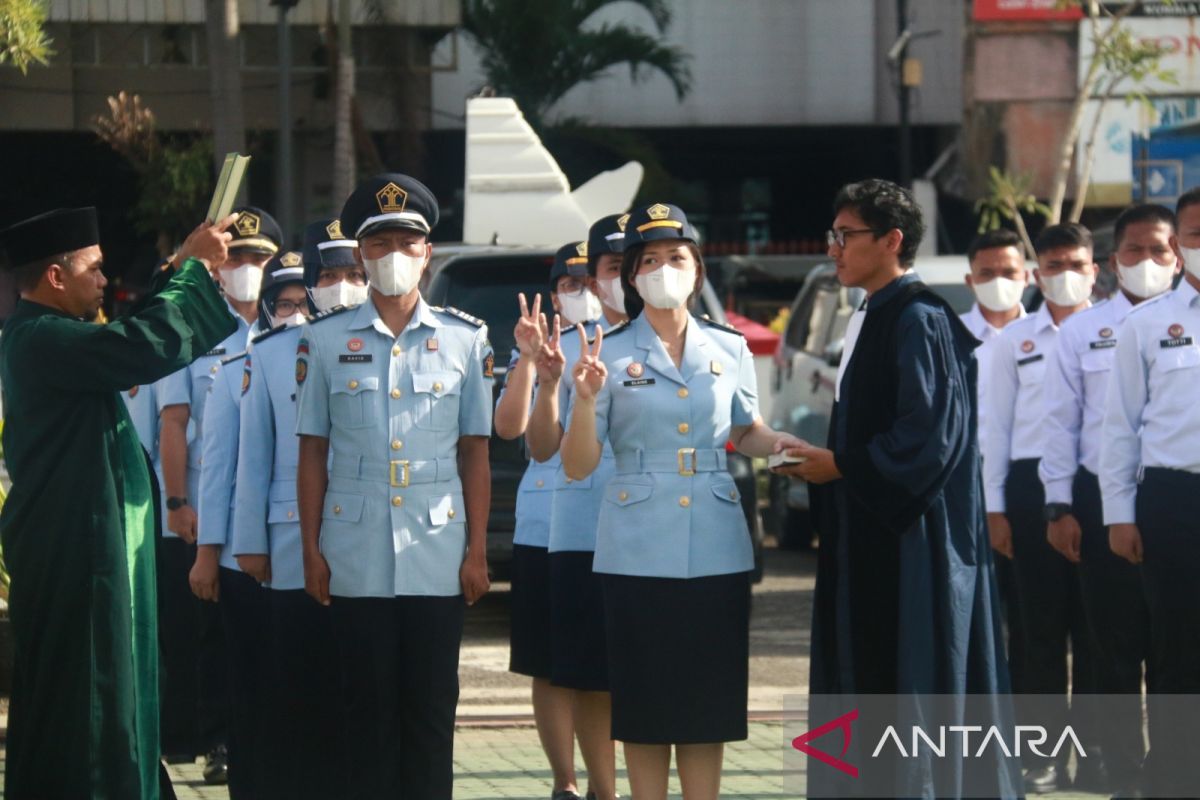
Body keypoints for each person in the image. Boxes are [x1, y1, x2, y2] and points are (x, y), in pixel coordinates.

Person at [775, 180, 1016, 798]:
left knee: (910, 682)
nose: (834, 248)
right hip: (872, 534)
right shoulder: (871, 313)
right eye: (834, 234)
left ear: (892, 241)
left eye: (846, 235)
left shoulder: (918, 319)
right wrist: (824, 461)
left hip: (914, 547)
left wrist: (845, 466)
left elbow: (927, 438)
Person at [560, 202, 802, 800]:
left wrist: (787, 450)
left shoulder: (729, 346)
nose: (664, 269)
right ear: (632, 276)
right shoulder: (607, 352)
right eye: (649, 260)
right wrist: (586, 400)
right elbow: (577, 462)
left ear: (697, 271)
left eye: (677, 257)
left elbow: (746, 430)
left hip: (716, 543)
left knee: (707, 701)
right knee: (643, 701)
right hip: (636, 545)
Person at [0, 207, 237, 800]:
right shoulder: (42, 337)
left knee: (101, 695)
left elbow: (126, 335)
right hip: (74, 554)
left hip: (79, 549)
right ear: (57, 277)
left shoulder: (50, 335)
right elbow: (137, 344)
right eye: (96, 269)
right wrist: (195, 272)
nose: (106, 281)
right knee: (89, 702)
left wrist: (182, 267)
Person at [296, 173, 493, 799]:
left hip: (438, 550)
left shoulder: (465, 338)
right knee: (367, 714)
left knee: (432, 715)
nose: (393, 256)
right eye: (378, 244)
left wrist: (478, 550)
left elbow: (475, 453)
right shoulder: (323, 340)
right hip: (354, 551)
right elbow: (312, 452)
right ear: (360, 255)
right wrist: (310, 550)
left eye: (407, 242)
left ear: (427, 251)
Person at [1039, 204, 1178, 796]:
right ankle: (1123, 771)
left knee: (1180, 650)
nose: (1147, 263)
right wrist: (1059, 506)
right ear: (1112, 261)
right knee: (1115, 651)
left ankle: (1174, 771)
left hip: (1176, 502)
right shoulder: (1081, 331)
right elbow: (1059, 424)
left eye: (1160, 251)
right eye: (1134, 251)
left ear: (1178, 257)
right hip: (1101, 506)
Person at [231, 219, 365, 800]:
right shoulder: (273, 351)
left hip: (371, 543)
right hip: (289, 546)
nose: (344, 286)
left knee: (361, 693)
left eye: (354, 274)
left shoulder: (390, 342)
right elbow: (252, 455)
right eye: (330, 275)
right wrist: (248, 542)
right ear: (309, 285)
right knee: (298, 687)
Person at [154, 206, 281, 777]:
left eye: (260, 258)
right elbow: (174, 422)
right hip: (209, 508)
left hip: (278, 512)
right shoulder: (197, 329)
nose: (248, 268)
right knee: (212, 633)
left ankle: (270, 733)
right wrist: (178, 502)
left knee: (274, 629)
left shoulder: (291, 326)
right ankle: (218, 741)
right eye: (238, 257)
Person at [494, 238, 616, 800]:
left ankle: (605, 782)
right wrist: (530, 362)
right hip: (546, 521)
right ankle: (565, 782)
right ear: (554, 294)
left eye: (593, 281)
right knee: (548, 660)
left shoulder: (629, 343)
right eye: (572, 285)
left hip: (613, 519)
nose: (585, 293)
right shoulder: (540, 347)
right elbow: (512, 428)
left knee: (600, 661)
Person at [191, 251, 311, 798]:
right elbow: (217, 467)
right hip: (250, 556)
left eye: (304, 301)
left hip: (321, 554)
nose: (296, 313)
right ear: (267, 309)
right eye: (285, 303)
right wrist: (208, 552)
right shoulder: (238, 367)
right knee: (255, 687)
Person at [984, 222, 1098, 793]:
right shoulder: (1014, 342)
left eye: (1076, 264)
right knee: (1038, 630)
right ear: (1036, 274)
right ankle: (1041, 755)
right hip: (1029, 489)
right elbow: (995, 429)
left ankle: (1101, 751)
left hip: (1100, 485)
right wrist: (996, 508)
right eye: (1053, 266)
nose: (1065, 276)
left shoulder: (1118, 332)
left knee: (1103, 628)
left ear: (1095, 270)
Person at [1100, 189, 1198, 796]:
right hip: (1173, 501)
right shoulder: (1147, 324)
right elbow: (1121, 428)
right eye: (1195, 233)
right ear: (1180, 244)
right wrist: (1120, 515)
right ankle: (1175, 778)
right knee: (1177, 649)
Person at [959, 228, 1030, 697]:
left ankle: (1028, 737)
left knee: (1030, 622)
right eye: (987, 273)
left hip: (1028, 495)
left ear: (1028, 276)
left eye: (1008, 272)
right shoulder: (950, 333)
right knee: (969, 623)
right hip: (963, 495)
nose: (998, 281)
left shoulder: (1052, 336)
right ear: (970, 280)